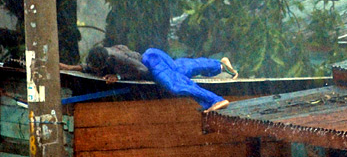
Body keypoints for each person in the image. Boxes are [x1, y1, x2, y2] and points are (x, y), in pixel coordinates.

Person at [59, 45, 238, 112]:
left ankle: (216, 100)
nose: (94, 70)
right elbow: (88, 67)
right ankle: (219, 65)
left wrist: (119, 76)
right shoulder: (103, 54)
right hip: (155, 54)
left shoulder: (117, 58)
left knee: (176, 86)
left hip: (150, 63)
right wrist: (68, 67)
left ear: (106, 61)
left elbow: (143, 71)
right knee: (182, 68)